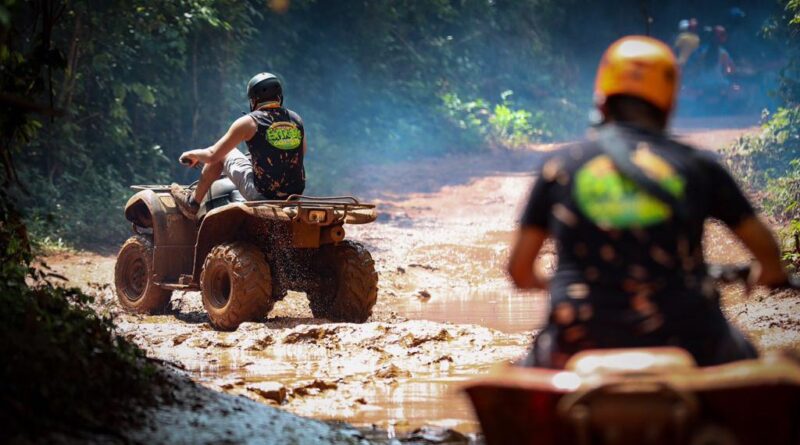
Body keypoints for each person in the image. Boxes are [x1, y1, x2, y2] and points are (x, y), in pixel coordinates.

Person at [507, 36, 789, 369]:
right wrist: (764, 274)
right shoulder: (698, 166)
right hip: (693, 341)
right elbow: (768, 255)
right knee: (758, 371)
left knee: (518, 380)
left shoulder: (560, 166)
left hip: (576, 341)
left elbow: (519, 271)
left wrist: (555, 284)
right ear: (669, 106)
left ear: (601, 104)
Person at [170, 72, 306, 219]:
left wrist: (191, 154)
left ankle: (192, 202)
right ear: (279, 97)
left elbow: (212, 155)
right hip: (293, 196)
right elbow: (300, 153)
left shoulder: (249, 122)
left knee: (224, 153)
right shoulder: (296, 119)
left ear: (253, 100)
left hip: (263, 195)